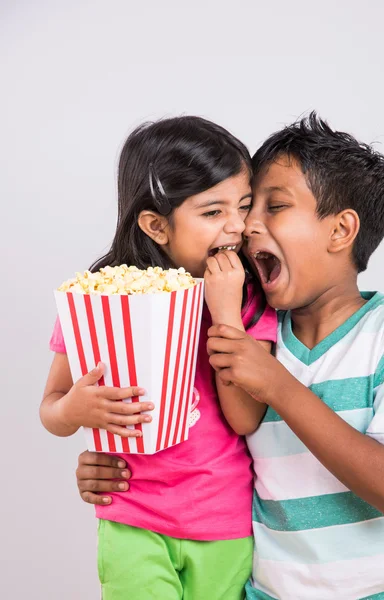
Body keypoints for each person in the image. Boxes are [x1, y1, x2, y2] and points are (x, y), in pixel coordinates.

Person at [77, 113, 384, 599]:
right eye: (249, 206)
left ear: (341, 231)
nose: (246, 225)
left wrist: (276, 383)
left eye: (272, 206)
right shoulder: (254, 331)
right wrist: (115, 466)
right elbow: (207, 445)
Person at [40, 116, 277, 600]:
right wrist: (73, 410)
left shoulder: (251, 299)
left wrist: (226, 310)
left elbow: (245, 417)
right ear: (155, 224)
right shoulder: (102, 299)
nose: (238, 225)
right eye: (213, 212)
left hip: (224, 520)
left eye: (244, 205)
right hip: (132, 515)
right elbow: (52, 408)